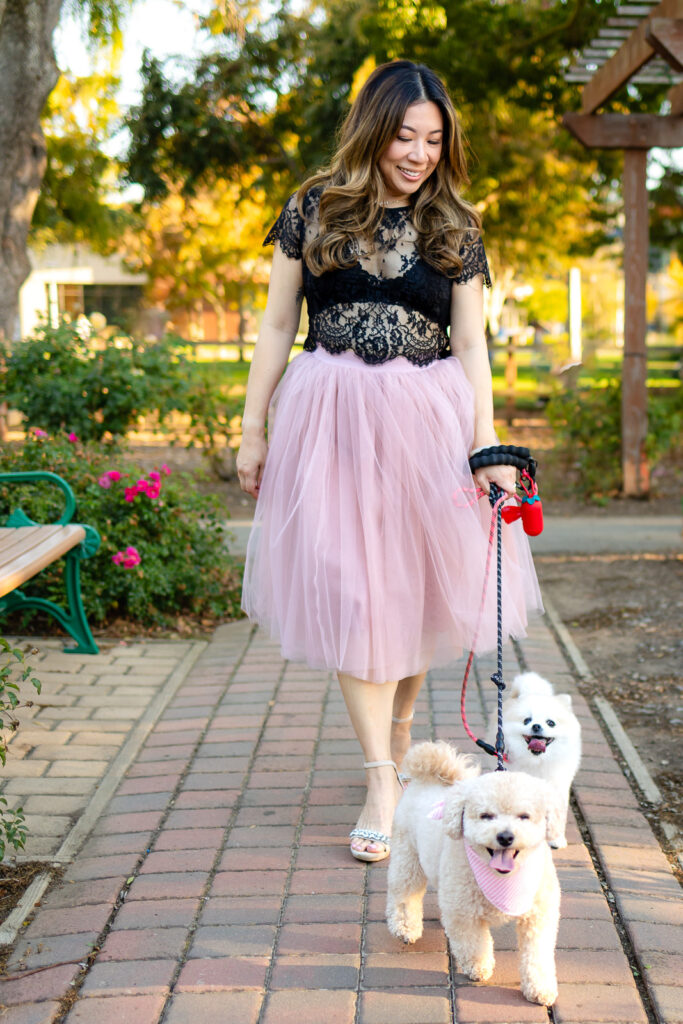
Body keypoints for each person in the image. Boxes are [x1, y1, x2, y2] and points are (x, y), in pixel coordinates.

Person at [237, 60, 542, 863]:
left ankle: (401, 732)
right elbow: (275, 327)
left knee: (408, 594)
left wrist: (487, 445)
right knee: (350, 587)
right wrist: (251, 430)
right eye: (404, 135)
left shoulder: (456, 225)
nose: (417, 153)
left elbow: (472, 343)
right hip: (327, 420)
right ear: (374, 129)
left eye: (433, 140)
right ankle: (382, 778)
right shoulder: (312, 206)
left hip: (427, 422)